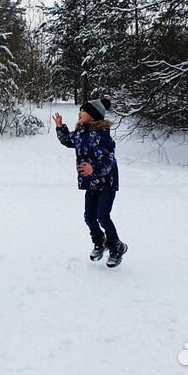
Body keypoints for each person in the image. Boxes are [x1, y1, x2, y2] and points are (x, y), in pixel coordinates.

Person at [53, 99, 128, 268]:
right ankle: (99, 242)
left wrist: (93, 168)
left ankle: (117, 247)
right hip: (91, 184)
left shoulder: (102, 137)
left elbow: (108, 161)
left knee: (102, 216)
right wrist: (60, 127)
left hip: (106, 183)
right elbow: (68, 140)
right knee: (89, 217)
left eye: (83, 111)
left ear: (93, 116)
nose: (79, 113)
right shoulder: (80, 134)